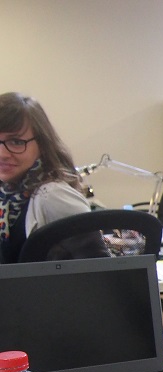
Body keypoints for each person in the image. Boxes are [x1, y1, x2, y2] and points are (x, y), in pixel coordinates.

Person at [0, 92, 91, 263]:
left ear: (42, 144)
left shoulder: (53, 195)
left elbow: (99, 268)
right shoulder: (6, 197)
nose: (2, 154)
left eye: (16, 142)